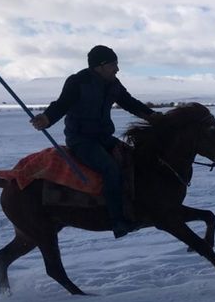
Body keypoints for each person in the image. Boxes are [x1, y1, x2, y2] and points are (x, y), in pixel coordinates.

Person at [30, 45, 159, 238]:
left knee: (133, 159)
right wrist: (47, 118)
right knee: (110, 169)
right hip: (81, 140)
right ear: (100, 66)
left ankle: (137, 207)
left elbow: (129, 102)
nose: (117, 69)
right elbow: (62, 104)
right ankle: (118, 221)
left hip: (104, 137)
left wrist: (154, 117)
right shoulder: (78, 82)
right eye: (114, 64)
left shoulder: (113, 83)